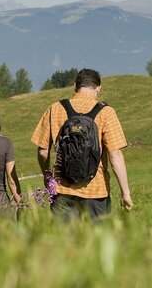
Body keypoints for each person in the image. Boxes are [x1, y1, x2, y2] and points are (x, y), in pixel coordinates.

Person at [31, 69, 133, 221]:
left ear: (75, 86)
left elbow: (42, 152)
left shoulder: (55, 108)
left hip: (62, 190)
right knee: (96, 243)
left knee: (64, 242)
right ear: (98, 88)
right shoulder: (106, 112)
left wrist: (47, 176)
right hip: (96, 192)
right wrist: (125, 193)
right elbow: (115, 154)